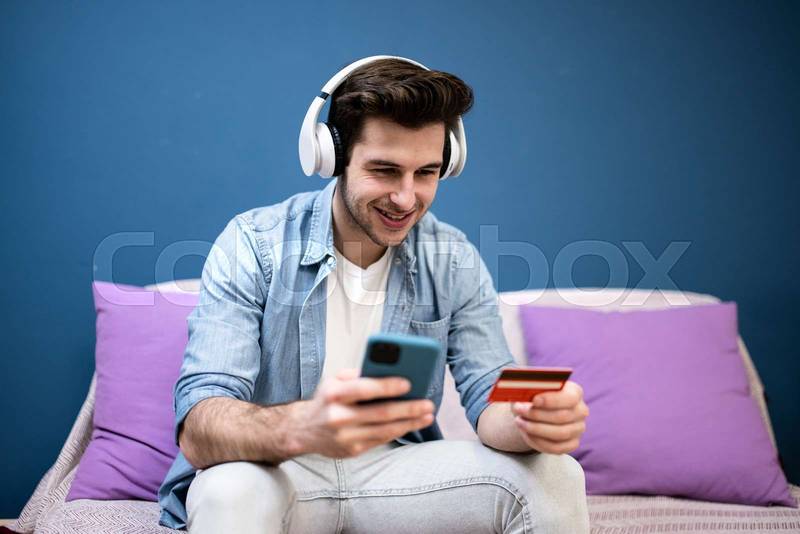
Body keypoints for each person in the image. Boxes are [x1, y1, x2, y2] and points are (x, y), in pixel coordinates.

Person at [157, 55, 591, 533]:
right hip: (275, 468)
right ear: (332, 157)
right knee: (229, 489)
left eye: (426, 173)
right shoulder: (253, 244)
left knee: (556, 473)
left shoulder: (453, 258)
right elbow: (201, 423)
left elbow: (491, 398)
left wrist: (531, 419)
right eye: (385, 170)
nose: (406, 198)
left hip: (396, 474)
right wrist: (303, 425)